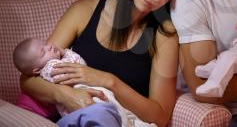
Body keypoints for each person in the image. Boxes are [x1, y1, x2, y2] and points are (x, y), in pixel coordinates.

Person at [19, 0, 195, 127]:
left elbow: (160, 116)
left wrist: (109, 81)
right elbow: (29, 79)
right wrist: (67, 96)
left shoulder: (164, 35)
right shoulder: (82, 12)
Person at [13, 37, 156, 127]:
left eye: (45, 43)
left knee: (120, 109)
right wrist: (65, 52)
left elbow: (80, 64)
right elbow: (78, 62)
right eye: (43, 52)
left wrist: (64, 53)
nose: (49, 47)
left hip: (94, 91)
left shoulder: (54, 61)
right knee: (111, 113)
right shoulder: (49, 70)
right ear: (36, 70)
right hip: (83, 98)